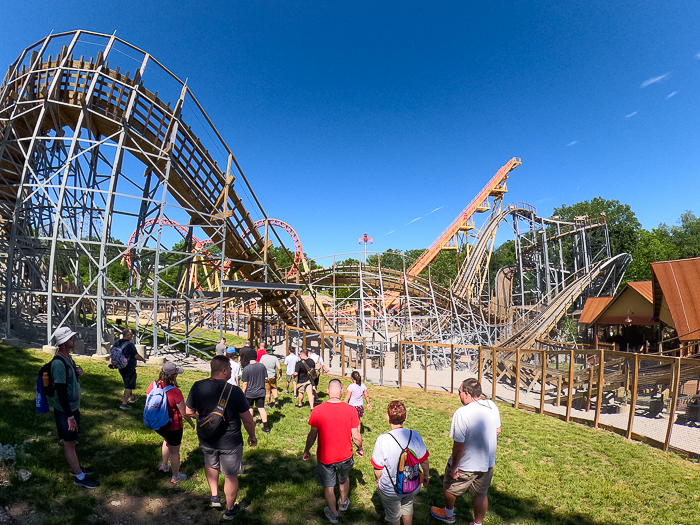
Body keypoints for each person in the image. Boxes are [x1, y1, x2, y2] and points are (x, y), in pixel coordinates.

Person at [186, 356, 257, 520]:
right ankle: (230, 510)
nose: (232, 372)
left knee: (211, 463)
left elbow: (188, 412)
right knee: (230, 475)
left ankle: (214, 496)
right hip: (230, 441)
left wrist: (205, 420)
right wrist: (252, 435)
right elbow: (247, 419)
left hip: (206, 438)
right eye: (230, 369)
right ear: (224, 370)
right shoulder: (235, 391)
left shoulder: (197, 386)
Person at [430, 379, 501, 525]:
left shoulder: (461, 413)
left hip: (466, 464)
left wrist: (455, 466)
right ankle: (477, 523)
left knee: (449, 487)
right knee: (481, 493)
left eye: (459, 392)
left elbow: (459, 446)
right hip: (487, 463)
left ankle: (448, 514)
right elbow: (498, 431)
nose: (459, 395)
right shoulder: (492, 405)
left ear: (467, 394)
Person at [303, 379, 363, 524]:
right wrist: (360, 448)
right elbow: (356, 435)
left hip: (325, 456)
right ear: (342, 391)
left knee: (329, 486)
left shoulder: (318, 410)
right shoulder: (350, 410)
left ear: (328, 391)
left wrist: (306, 450)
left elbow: (312, 435)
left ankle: (334, 514)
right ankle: (343, 502)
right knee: (344, 478)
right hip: (345, 455)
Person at [51, 327, 99, 488]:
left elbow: (68, 381)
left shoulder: (68, 359)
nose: (74, 340)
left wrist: (76, 372)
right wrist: (70, 416)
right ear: (64, 342)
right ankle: (79, 476)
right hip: (66, 411)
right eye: (71, 338)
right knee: (69, 443)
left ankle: (76, 468)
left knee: (73, 441)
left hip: (72, 408)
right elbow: (61, 391)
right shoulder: (58, 363)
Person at [371, 401, 430, 525]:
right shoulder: (415, 435)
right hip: (412, 484)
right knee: (407, 507)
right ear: (406, 417)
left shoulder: (383, 439)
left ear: (387, 417)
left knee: (393, 516)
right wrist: (425, 475)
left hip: (390, 489)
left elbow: (377, 468)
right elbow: (423, 460)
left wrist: (378, 481)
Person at [147, 361, 195, 483]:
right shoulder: (175, 392)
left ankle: (164, 465)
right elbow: (184, 413)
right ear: (172, 376)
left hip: (157, 424)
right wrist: (192, 422)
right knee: (175, 451)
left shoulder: (152, 385)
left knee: (166, 440)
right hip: (173, 426)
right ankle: (175, 476)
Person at [114, 328, 146, 410]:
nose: (132, 336)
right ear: (127, 335)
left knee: (127, 382)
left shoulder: (117, 342)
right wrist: (143, 359)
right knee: (129, 385)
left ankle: (132, 397)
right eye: (131, 334)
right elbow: (136, 356)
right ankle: (124, 403)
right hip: (129, 366)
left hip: (120, 366)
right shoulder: (130, 345)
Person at [241, 358, 271, 434]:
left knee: (250, 407)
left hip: (250, 393)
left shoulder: (246, 369)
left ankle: (251, 424)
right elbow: (266, 378)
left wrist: (242, 392)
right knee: (261, 408)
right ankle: (266, 427)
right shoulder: (262, 366)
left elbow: (245, 383)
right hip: (261, 391)